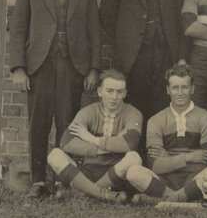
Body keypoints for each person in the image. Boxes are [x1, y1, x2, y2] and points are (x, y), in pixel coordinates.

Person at [9, 0, 102, 199]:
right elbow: (18, 30)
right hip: (39, 66)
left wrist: (93, 69)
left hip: (72, 67)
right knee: (38, 124)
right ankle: (38, 181)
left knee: (67, 123)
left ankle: (63, 180)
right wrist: (18, 67)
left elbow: (94, 32)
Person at [99, 0, 187, 126]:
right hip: (133, 57)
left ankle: (154, 154)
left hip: (164, 54)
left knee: (161, 105)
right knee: (133, 107)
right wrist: (127, 40)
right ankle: (134, 154)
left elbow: (179, 16)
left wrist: (179, 54)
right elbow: (107, 16)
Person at [126, 62, 207, 207]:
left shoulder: (205, 118)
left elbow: (204, 162)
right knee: (133, 172)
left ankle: (168, 201)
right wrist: (189, 157)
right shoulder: (156, 120)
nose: (180, 92)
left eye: (184, 87)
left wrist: (168, 159)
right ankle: (182, 199)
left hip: (193, 179)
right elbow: (155, 167)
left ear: (192, 89)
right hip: (164, 182)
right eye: (175, 87)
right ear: (168, 90)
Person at [46, 69, 142, 203]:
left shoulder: (133, 113)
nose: (114, 97)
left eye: (119, 92)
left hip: (117, 174)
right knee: (55, 154)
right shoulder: (88, 112)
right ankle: (102, 194)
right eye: (109, 91)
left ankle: (87, 192)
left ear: (125, 94)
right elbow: (66, 142)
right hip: (88, 172)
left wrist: (91, 138)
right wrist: (110, 146)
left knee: (134, 157)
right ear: (99, 92)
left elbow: (129, 144)